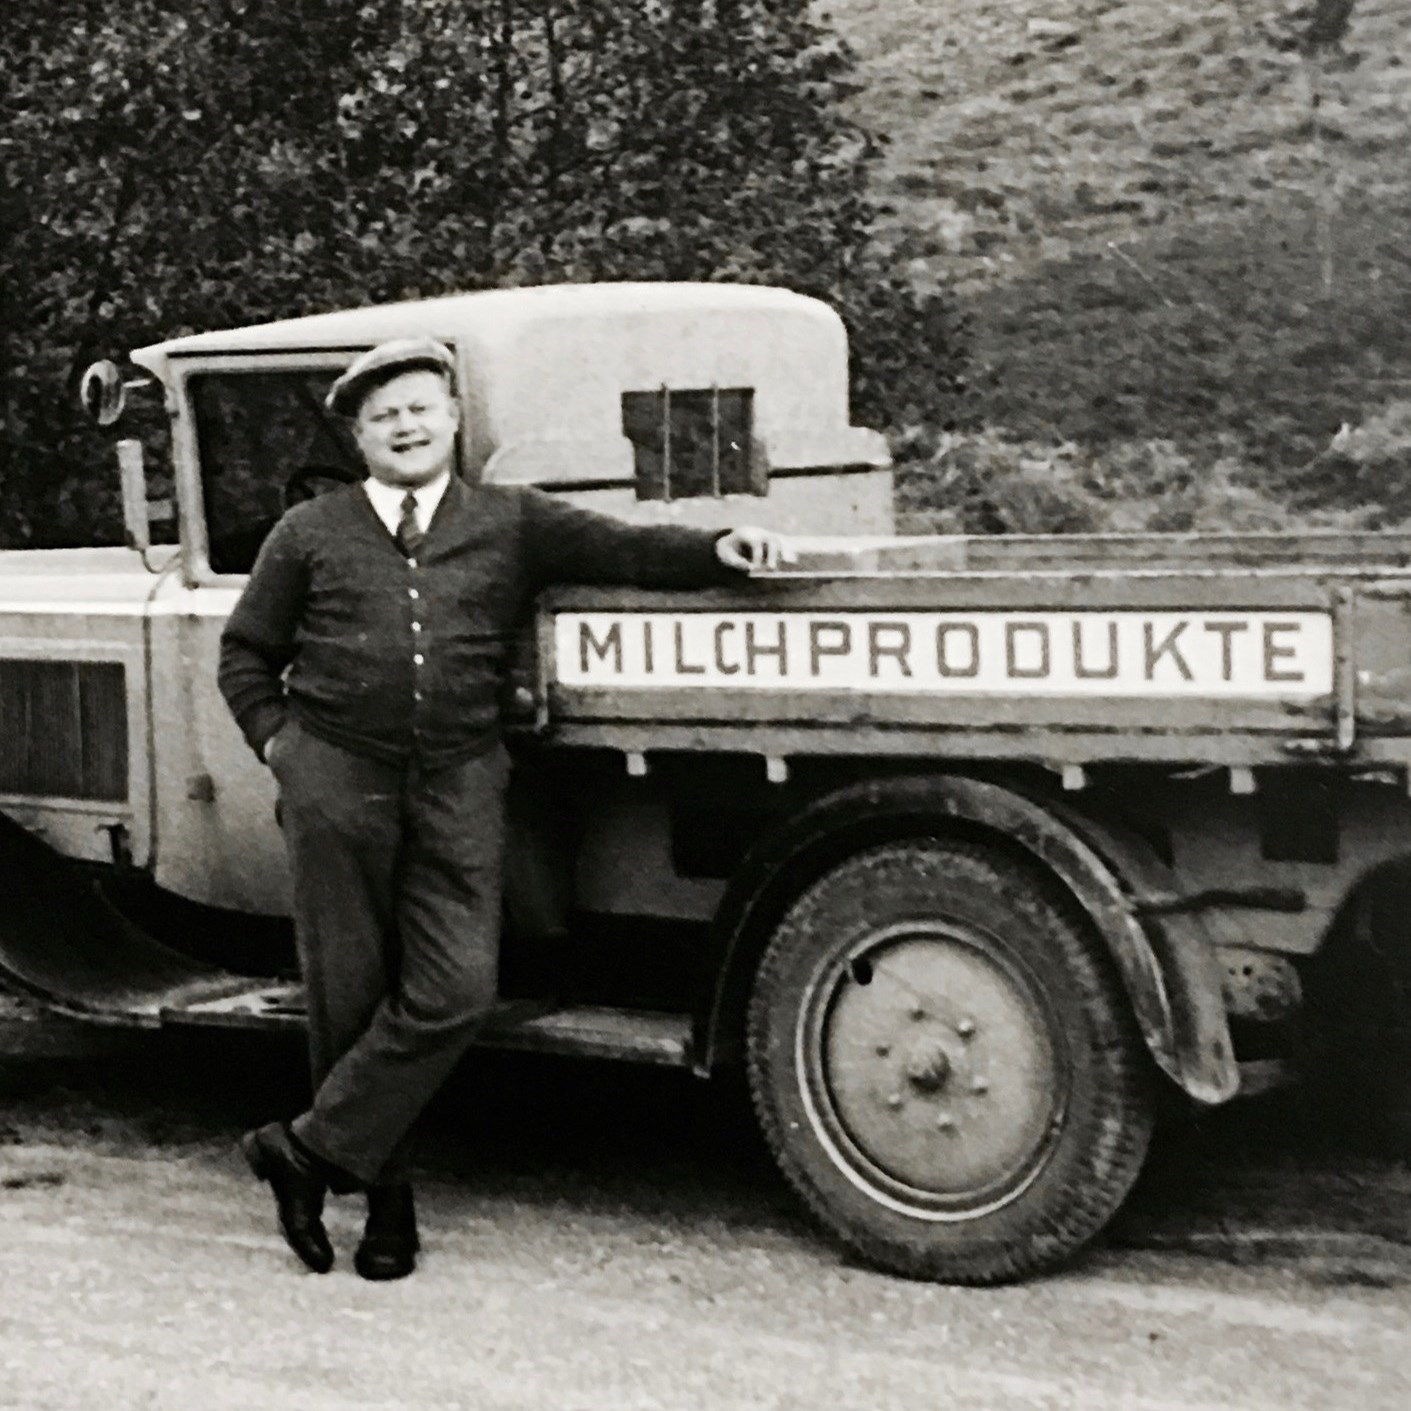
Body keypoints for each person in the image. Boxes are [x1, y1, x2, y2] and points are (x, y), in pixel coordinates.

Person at [218, 337, 791, 1280]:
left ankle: (305, 1151)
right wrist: (284, 750)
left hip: (458, 782)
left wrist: (716, 547)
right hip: (337, 785)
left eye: (420, 408)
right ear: (359, 438)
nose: (405, 426)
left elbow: (625, 546)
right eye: (383, 416)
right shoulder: (309, 531)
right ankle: (387, 1205)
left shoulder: (510, 519)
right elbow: (245, 652)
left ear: (452, 419)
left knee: (455, 990)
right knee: (347, 997)